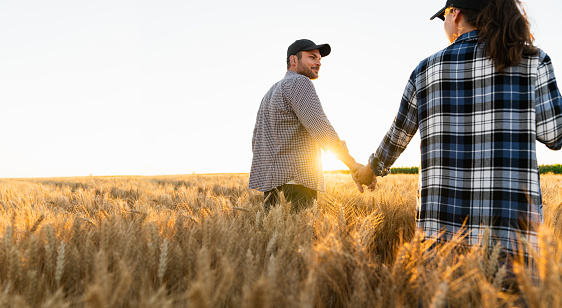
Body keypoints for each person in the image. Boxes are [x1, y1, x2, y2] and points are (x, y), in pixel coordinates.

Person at [356, 0, 561, 267]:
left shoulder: (424, 70)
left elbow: (397, 136)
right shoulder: (531, 61)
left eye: (444, 17)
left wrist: (370, 169)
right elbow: (555, 134)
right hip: (511, 239)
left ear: (455, 13)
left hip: (440, 239)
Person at [250, 39, 363, 213]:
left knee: (277, 238)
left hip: (272, 187)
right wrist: (353, 164)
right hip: (297, 184)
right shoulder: (299, 82)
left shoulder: (270, 93)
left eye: (319, 59)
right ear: (294, 60)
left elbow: (256, 140)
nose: (318, 63)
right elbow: (319, 127)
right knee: (300, 239)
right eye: (312, 57)